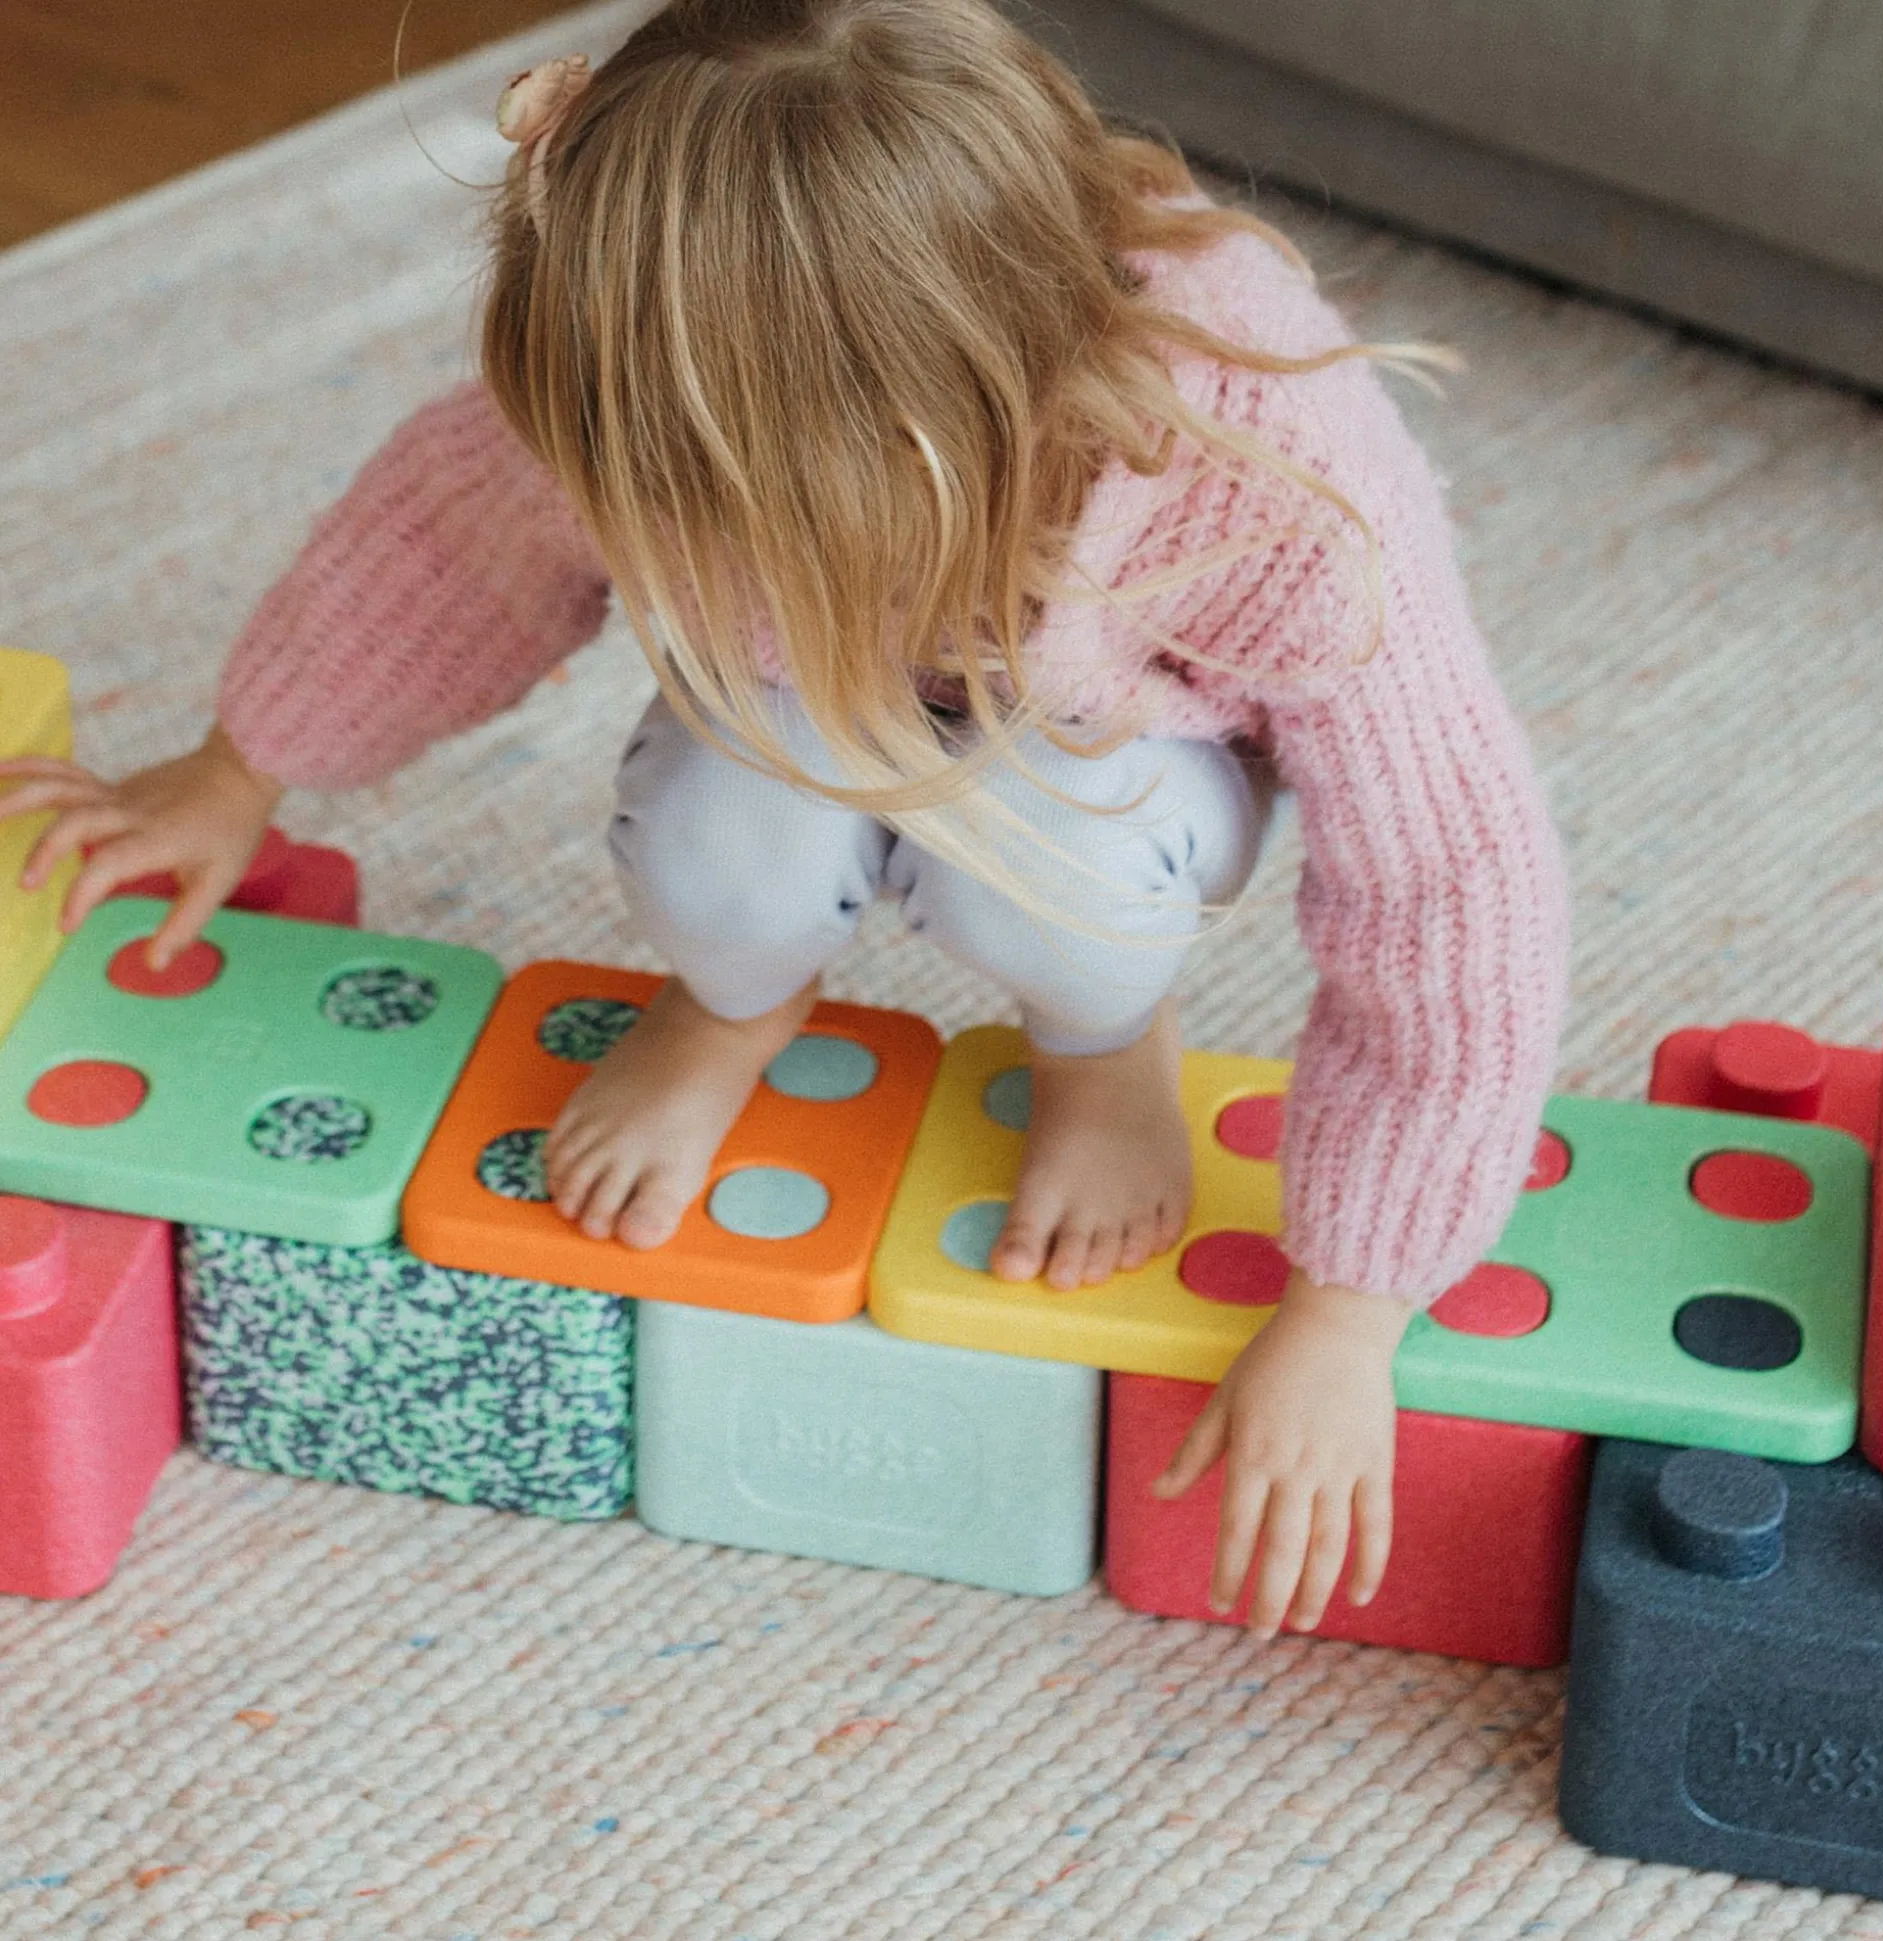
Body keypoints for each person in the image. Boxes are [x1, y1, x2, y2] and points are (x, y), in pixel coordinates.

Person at [0, 0, 1568, 1642]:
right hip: (795, 690)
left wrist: (1351, 1309)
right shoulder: (650, 369)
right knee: (715, 839)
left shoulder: (1262, 464)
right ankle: (735, 1005)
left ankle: (1107, 1055)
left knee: (1063, 866)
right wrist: (241, 763)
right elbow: (449, 543)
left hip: (1120, 758)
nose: (623, 496)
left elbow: (1453, 884)